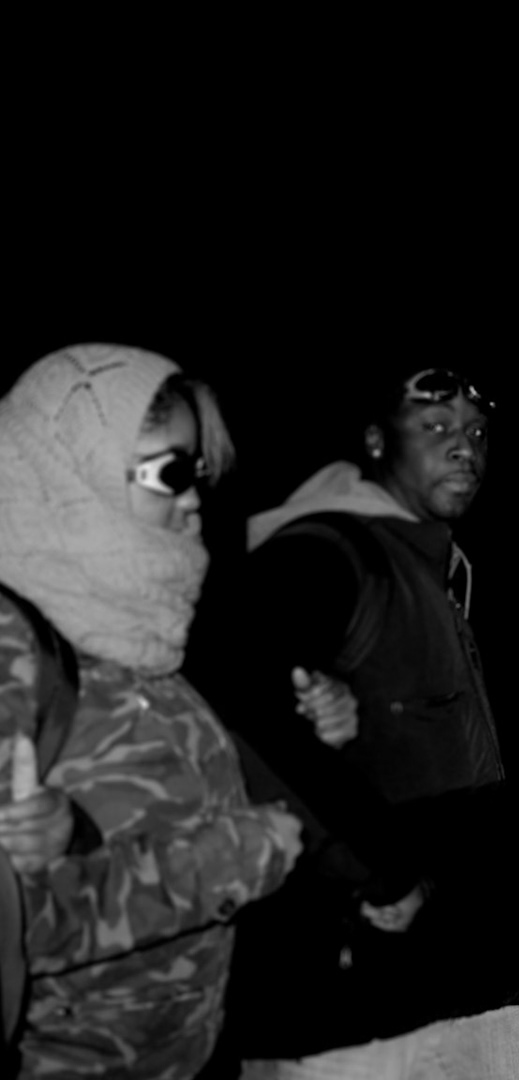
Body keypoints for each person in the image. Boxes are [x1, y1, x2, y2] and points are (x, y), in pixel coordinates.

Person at [212, 366, 519, 1078]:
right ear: (374, 441)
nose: (465, 449)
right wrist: (384, 875)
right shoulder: (330, 551)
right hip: (376, 1003)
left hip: (467, 970)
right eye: (435, 429)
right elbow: (245, 705)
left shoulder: (434, 560)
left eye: (477, 433)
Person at [0, 344, 304, 1078]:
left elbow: (124, 784)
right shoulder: (11, 641)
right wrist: (235, 857)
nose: (194, 497)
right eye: (168, 473)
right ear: (66, 473)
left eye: (195, 471)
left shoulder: (122, 618)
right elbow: (17, 928)